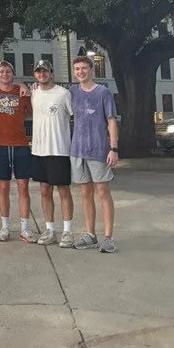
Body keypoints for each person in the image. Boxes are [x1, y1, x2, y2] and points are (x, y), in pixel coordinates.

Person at [69, 55, 119, 253]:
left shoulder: (103, 93)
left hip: (99, 149)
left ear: (91, 70)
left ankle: (108, 237)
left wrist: (113, 148)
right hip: (77, 150)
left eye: (84, 68)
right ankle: (89, 234)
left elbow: (111, 121)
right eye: (77, 69)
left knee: (102, 192)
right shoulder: (72, 92)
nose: (80, 72)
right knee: (85, 193)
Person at [0, 61, 37, 242]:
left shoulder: (21, 93)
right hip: (0, 145)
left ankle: (24, 228)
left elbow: (32, 112)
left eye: (8, 71)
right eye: (1, 71)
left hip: (20, 145)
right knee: (3, 187)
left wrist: (25, 87)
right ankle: (5, 227)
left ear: (13, 74)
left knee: (23, 187)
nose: (5, 74)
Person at [29, 59, 74, 247]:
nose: (42, 74)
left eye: (45, 71)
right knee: (44, 190)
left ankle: (67, 231)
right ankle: (49, 229)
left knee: (63, 190)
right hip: (39, 150)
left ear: (51, 73)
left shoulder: (63, 94)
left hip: (59, 149)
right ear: (35, 75)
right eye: (38, 72)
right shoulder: (33, 93)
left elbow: (75, 118)